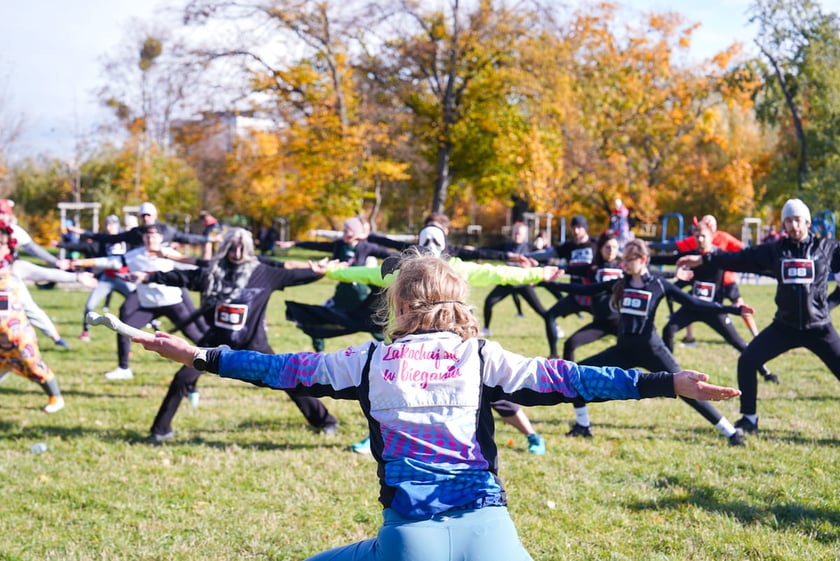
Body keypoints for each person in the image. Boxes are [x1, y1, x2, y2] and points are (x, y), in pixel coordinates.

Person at [135, 249, 740, 561]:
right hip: (491, 534)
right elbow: (578, 378)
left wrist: (199, 355)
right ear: (459, 302)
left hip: (408, 542)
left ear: (397, 306)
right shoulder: (487, 360)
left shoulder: (365, 362)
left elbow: (275, 368)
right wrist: (669, 384)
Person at [330, 226, 557, 456]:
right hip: (406, 352)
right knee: (391, 397)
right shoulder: (403, 271)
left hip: (451, 353)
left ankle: (531, 435)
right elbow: (360, 273)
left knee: (490, 391)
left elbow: (499, 273)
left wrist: (539, 274)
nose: (430, 246)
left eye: (435, 240)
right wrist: (329, 271)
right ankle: (376, 437)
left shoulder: (454, 269)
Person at [131, 227, 339, 442]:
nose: (237, 253)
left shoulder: (263, 273)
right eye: (232, 247)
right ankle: (160, 430)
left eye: (242, 248)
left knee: (285, 378)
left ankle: (325, 421)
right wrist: (149, 277)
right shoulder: (213, 274)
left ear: (249, 249)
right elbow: (182, 276)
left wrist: (321, 271)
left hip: (254, 342)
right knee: (182, 378)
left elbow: (294, 275)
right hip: (215, 342)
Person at [550, 239, 751, 445]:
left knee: (689, 390)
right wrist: (548, 281)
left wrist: (734, 309)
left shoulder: (658, 285)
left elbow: (694, 302)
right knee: (578, 374)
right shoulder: (621, 283)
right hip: (623, 350)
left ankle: (732, 433)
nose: (624, 263)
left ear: (643, 259)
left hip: (652, 351)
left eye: (629, 259)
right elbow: (585, 290)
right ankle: (583, 426)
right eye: (623, 259)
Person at [677, 199, 840, 438]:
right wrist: (703, 259)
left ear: (807, 221)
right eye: (789, 220)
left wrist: (826, 306)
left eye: (798, 220)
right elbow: (739, 258)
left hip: (819, 328)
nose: (794, 225)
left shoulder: (827, 248)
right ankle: (749, 419)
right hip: (785, 326)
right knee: (748, 361)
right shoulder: (776, 250)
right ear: (784, 224)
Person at [70, 224, 208, 380]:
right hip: (148, 306)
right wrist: (83, 263)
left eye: (154, 237)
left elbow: (195, 267)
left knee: (194, 335)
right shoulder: (134, 255)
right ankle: (124, 368)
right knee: (123, 328)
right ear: (143, 238)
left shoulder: (170, 254)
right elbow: (111, 261)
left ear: (161, 238)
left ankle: (211, 359)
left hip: (172, 303)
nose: (150, 240)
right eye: (147, 237)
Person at [657, 220, 779, 384]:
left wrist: (735, 300)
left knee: (738, 343)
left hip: (715, 309)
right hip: (693, 306)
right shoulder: (692, 256)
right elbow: (673, 263)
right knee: (668, 329)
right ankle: (670, 374)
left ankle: (765, 372)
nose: (700, 239)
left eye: (703, 236)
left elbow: (731, 279)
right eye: (697, 236)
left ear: (711, 236)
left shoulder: (720, 257)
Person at [0, 222, 96, 413]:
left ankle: (56, 397)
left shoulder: (16, 268)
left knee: (34, 366)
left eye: (0, 244)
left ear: (7, 247)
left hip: (17, 335)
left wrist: (77, 278)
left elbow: (48, 273)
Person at [281, 217, 398, 352]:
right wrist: (295, 243)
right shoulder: (339, 245)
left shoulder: (365, 247)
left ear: (357, 233)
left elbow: (389, 254)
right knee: (320, 317)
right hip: (342, 291)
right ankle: (319, 351)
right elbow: (317, 246)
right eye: (344, 231)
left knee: (368, 323)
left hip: (358, 291)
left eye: (349, 231)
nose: (345, 234)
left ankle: (390, 348)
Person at [0, 199, 71, 348]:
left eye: (3, 213)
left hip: (9, 279)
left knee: (27, 306)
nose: (0, 216)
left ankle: (56, 338)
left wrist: (55, 262)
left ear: (9, 215)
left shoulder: (15, 231)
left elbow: (33, 249)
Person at [527, 214, 599, 358]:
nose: (576, 231)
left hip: (594, 296)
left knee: (612, 323)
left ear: (585, 228)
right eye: (573, 228)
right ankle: (553, 354)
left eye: (579, 227)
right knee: (550, 316)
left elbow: (616, 253)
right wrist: (527, 256)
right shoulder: (569, 247)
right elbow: (547, 254)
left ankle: (625, 348)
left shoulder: (596, 244)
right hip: (576, 294)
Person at [60, 214, 133, 341]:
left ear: (117, 225)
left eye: (111, 224)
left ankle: (153, 326)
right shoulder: (104, 240)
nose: (109, 227)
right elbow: (89, 240)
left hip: (124, 279)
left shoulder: (126, 239)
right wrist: (62, 244)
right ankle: (85, 332)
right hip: (107, 279)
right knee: (89, 305)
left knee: (140, 301)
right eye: (107, 225)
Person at [480, 223, 547, 336]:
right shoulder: (507, 246)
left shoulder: (529, 247)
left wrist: (536, 262)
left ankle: (555, 327)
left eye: (519, 233)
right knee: (489, 302)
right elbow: (489, 250)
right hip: (507, 282)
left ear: (524, 235)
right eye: (514, 233)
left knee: (540, 310)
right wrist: (473, 251)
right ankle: (486, 329)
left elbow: (544, 259)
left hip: (523, 284)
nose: (516, 235)